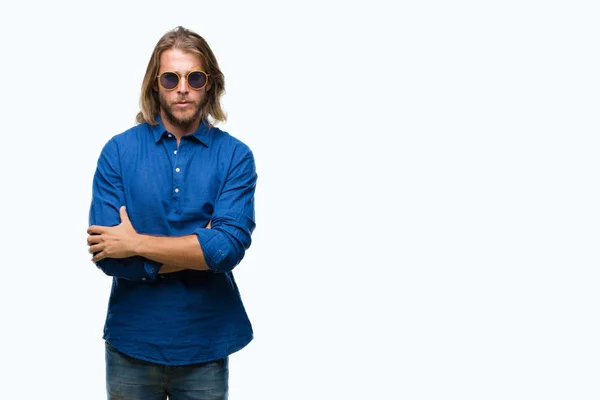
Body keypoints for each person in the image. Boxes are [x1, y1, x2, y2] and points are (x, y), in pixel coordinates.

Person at [86, 26, 257, 400]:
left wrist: (134, 243)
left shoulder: (235, 157)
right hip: (131, 342)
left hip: (206, 344)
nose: (183, 88)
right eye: (171, 78)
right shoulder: (118, 152)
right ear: (155, 86)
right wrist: (199, 250)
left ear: (209, 85)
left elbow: (227, 250)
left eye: (195, 78)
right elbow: (108, 256)